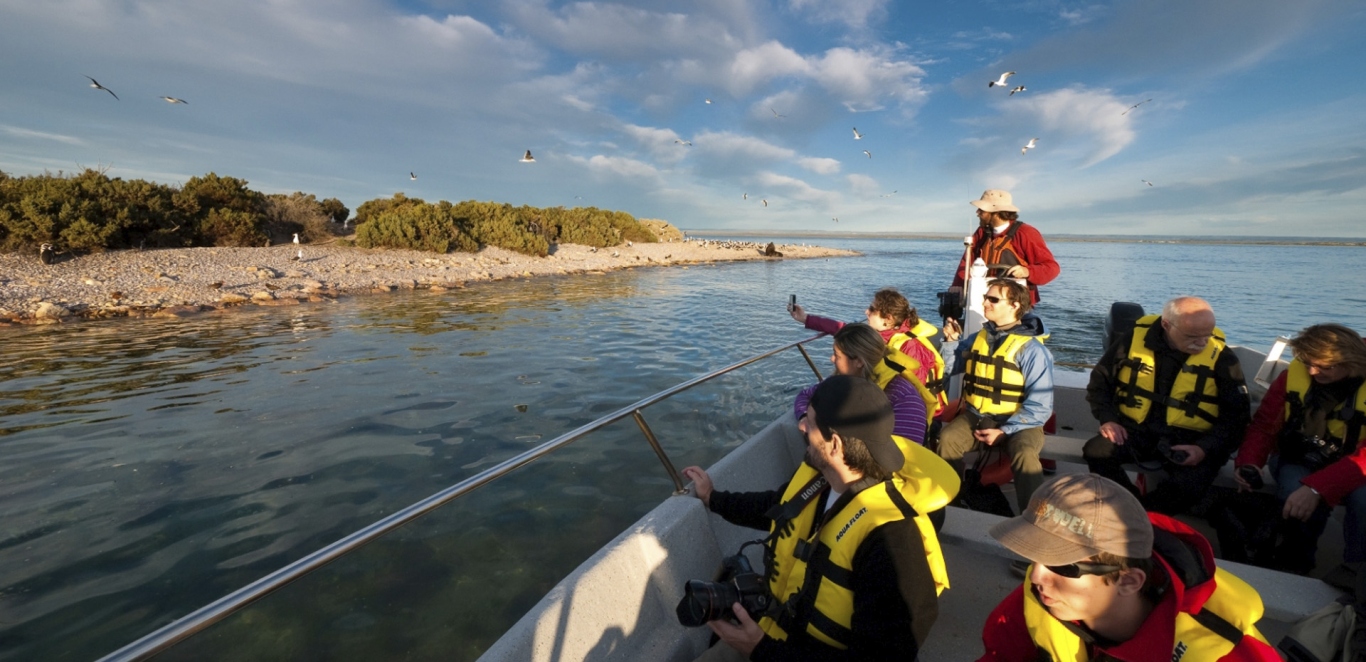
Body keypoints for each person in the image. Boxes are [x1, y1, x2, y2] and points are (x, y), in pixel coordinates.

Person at [681, 376, 940, 661]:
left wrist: (760, 649)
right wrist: (713, 498)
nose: (801, 426)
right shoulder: (822, 480)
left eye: (811, 422)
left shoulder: (893, 540)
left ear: (835, 445)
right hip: (772, 632)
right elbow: (776, 508)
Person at [978, 473, 1281, 661]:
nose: (1037, 576)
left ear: (1129, 581)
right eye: (1035, 557)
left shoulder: (1225, 653)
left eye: (1063, 566)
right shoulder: (1043, 599)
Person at [1083, 296, 1251, 515]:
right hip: (1136, 431)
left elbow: (1237, 416)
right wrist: (1108, 419)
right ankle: (1132, 511)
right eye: (1192, 336)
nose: (1202, 343)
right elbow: (1100, 383)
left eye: (1207, 335)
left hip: (1192, 440)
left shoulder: (1222, 357)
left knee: (1189, 484)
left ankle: (1145, 517)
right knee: (1097, 451)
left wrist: (1204, 448)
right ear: (1166, 325)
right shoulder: (1132, 340)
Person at [1233, 323, 1366, 579]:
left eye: (1324, 366)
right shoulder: (1292, 377)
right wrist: (1249, 462)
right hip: (1299, 456)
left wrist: (1317, 488)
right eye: (1307, 363)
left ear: (1351, 361)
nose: (1313, 371)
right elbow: (1264, 425)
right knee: (1294, 491)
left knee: (1363, 501)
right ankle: (1295, 565)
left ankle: (1356, 571)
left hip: (1355, 464)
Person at [936, 278, 1053, 513]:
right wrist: (951, 343)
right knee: (947, 439)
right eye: (985, 298)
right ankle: (950, 506)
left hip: (1021, 422)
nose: (985, 303)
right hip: (978, 415)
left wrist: (1004, 431)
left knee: (1024, 454)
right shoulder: (979, 338)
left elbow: (1040, 406)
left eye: (993, 299)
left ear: (1014, 306)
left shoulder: (1032, 350)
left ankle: (1035, 517)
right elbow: (951, 368)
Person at [790, 287, 945, 403]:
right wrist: (805, 318)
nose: (866, 312)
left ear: (888, 319)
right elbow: (844, 330)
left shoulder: (911, 347)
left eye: (872, 309)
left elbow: (913, 393)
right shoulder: (882, 336)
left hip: (916, 415)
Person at [794, 323, 931, 444]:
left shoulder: (904, 398)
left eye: (837, 355)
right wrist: (805, 417)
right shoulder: (844, 380)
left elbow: (905, 454)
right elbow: (806, 394)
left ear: (859, 361)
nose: (832, 359)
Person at [949, 189, 1059, 306]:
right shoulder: (981, 232)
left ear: (996, 212)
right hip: (984, 299)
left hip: (1016, 303)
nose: (977, 212)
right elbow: (967, 261)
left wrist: (1027, 271)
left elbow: (1052, 268)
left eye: (982, 210)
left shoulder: (1026, 233)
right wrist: (958, 285)